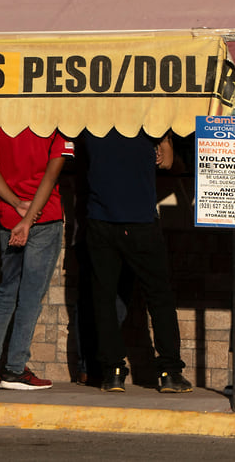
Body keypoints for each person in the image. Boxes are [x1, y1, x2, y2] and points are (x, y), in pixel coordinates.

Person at [77, 128, 192, 394]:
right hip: (140, 220)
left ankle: (112, 372)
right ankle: (169, 372)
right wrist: (164, 138)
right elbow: (167, 162)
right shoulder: (149, 124)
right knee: (159, 298)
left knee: (104, 298)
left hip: (101, 219)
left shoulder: (92, 122)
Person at [0, 128, 72, 390]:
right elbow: (52, 174)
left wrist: (17, 205)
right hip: (43, 217)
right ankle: (15, 369)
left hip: (9, 217)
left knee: (7, 293)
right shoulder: (56, 126)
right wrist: (28, 220)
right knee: (30, 297)